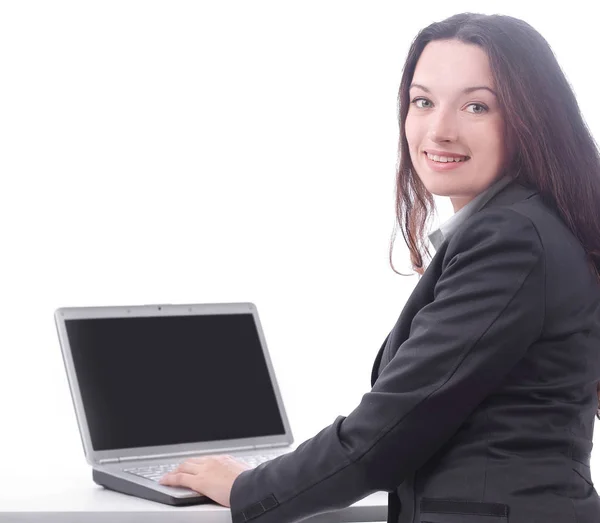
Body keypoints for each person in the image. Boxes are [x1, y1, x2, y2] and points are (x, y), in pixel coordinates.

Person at [159, 12, 600, 523]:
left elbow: (390, 429)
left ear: (531, 119)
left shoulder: (512, 238)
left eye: (476, 106)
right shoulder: (537, 226)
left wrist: (248, 486)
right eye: (423, 101)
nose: (439, 129)